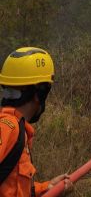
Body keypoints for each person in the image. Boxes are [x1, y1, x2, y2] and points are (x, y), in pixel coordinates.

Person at [0, 47, 72, 196]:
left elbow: (14, 186)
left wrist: (47, 187)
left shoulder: (18, 129)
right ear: (40, 93)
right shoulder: (9, 128)